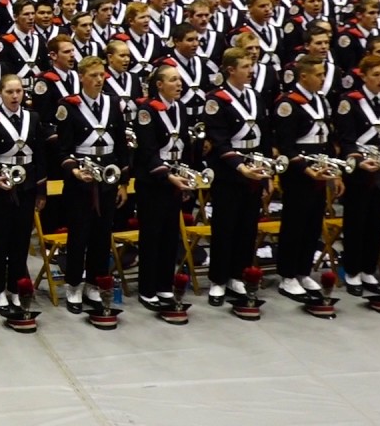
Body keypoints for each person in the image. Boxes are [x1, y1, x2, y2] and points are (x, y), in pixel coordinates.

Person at [53, 55, 128, 313]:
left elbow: (121, 146)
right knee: (79, 235)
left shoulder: (113, 103)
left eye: (102, 75)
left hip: (107, 177)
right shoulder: (69, 106)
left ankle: (95, 284)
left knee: (101, 234)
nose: (99, 80)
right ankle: (73, 284)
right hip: (80, 181)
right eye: (94, 75)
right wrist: (75, 171)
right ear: (82, 77)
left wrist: (122, 183)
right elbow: (62, 150)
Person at [0, 74, 52, 314]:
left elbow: (40, 156)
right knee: (0, 240)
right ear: (0, 94)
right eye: (9, 92)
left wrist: (41, 190)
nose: (15, 96)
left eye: (19, 91)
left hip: (27, 185)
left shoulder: (33, 117)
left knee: (21, 240)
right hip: (1, 187)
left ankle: (17, 287)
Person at [202, 47, 273, 307]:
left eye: (251, 65)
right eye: (245, 66)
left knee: (247, 227)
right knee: (225, 227)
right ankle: (219, 279)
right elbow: (218, 142)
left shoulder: (256, 97)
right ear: (230, 69)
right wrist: (240, 167)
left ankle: (238, 274)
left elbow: (264, 138)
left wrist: (267, 175)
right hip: (229, 173)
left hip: (255, 171)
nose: (251, 70)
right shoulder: (216, 100)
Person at [334, 54, 380, 296]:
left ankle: (368, 270)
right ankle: (352, 271)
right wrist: (358, 161)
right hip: (359, 173)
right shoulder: (350, 102)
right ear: (363, 76)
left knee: (376, 223)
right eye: (375, 74)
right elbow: (346, 141)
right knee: (356, 223)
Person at [274, 55, 342, 301]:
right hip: (299, 173)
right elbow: (286, 145)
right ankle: (288, 275)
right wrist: (305, 168)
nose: (323, 79)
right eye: (318, 75)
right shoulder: (288, 103)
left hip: (321, 170)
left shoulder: (321, 101)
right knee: (294, 223)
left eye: (324, 74)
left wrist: (334, 172)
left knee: (313, 222)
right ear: (304, 77)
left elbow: (326, 139)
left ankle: (303, 270)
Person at [132, 65, 193, 311]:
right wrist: (168, 175)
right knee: (152, 235)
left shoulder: (180, 108)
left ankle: (164, 286)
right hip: (154, 182)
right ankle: (147, 289)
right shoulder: (147, 111)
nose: (178, 84)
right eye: (172, 80)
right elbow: (147, 151)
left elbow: (185, 144)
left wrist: (187, 174)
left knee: (170, 235)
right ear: (159, 85)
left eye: (179, 80)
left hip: (175, 181)